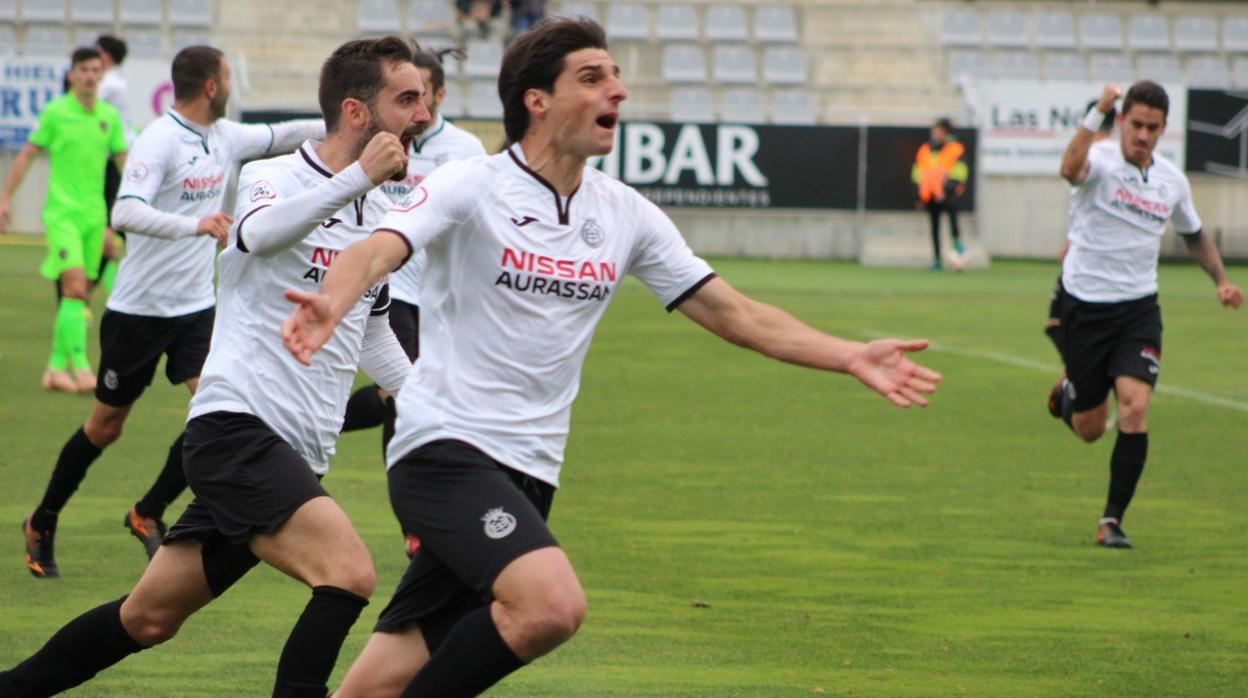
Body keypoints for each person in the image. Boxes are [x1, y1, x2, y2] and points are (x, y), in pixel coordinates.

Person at [282, 18, 941, 697]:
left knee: (380, 682)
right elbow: (374, 249)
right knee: (550, 607)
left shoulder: (626, 214)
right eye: (593, 78)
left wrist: (851, 354)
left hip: (531, 471)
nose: (619, 92)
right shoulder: (470, 184)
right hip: (444, 452)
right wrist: (335, 300)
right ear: (536, 100)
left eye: (617, 76)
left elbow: (735, 314)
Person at [0, 35, 428, 696]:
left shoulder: (383, 213)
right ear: (356, 112)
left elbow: (373, 332)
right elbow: (257, 234)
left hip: (294, 453)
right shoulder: (274, 178)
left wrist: (433, 407)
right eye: (407, 99)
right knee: (348, 575)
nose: (422, 115)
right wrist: (357, 178)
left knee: (146, 619)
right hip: (237, 432)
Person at [18, 45, 328, 579]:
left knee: (217, 411)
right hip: (138, 311)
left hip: (197, 309)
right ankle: (42, 521)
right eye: (227, 77)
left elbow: (287, 133)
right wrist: (196, 225)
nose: (231, 85)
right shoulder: (158, 140)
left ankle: (148, 510)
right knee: (106, 425)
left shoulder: (226, 137)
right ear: (211, 86)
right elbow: (126, 211)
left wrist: (348, 120)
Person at [1047, 81, 1243, 549]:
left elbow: (1194, 235)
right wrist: (1095, 111)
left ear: (1163, 130)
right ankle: (1070, 392)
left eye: (1153, 128)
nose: (1143, 135)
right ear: (1121, 123)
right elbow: (1068, 168)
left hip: (1139, 309)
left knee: (1135, 407)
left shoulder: (1172, 180)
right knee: (1090, 430)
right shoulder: (1100, 162)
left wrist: (1221, 281)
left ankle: (1111, 521)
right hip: (1086, 306)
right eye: (1136, 124)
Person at [341, 46, 486, 482]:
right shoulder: (374, 144)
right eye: (405, 95)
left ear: (439, 93)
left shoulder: (465, 149)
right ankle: (413, 521)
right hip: (395, 288)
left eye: (421, 93)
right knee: (399, 394)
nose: (416, 104)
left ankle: (307, 417)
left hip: (441, 295)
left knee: (416, 392)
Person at [0, 47, 127, 393]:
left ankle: (55, 369)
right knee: (73, 289)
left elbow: (123, 162)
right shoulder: (55, 113)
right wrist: (5, 198)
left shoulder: (108, 117)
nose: (89, 75)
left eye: (94, 69)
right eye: (83, 69)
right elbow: (27, 155)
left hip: (95, 216)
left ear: (101, 75)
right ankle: (83, 369)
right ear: (71, 75)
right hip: (62, 215)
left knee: (80, 293)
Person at [1044, 99, 1116, 355]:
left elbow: (1069, 169)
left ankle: (1075, 383)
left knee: (1059, 327)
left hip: (1089, 268)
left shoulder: (1092, 157)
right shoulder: (1117, 158)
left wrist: (1072, 244)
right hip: (1104, 266)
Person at [96, 33, 132, 293]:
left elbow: (84, 100)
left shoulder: (108, 83)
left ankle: (107, 271)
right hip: (117, 155)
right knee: (115, 224)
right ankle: (111, 272)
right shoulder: (119, 81)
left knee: (112, 221)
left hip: (112, 159)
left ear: (105, 56)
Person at [911, 117, 967, 271]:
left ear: (946, 133)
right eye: (933, 131)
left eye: (938, 131)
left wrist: (947, 188)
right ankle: (937, 259)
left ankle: (957, 244)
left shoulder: (955, 149)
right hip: (930, 195)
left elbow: (961, 173)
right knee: (934, 227)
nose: (935, 134)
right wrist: (917, 195)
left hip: (947, 193)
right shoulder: (926, 150)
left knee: (953, 215)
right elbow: (917, 173)